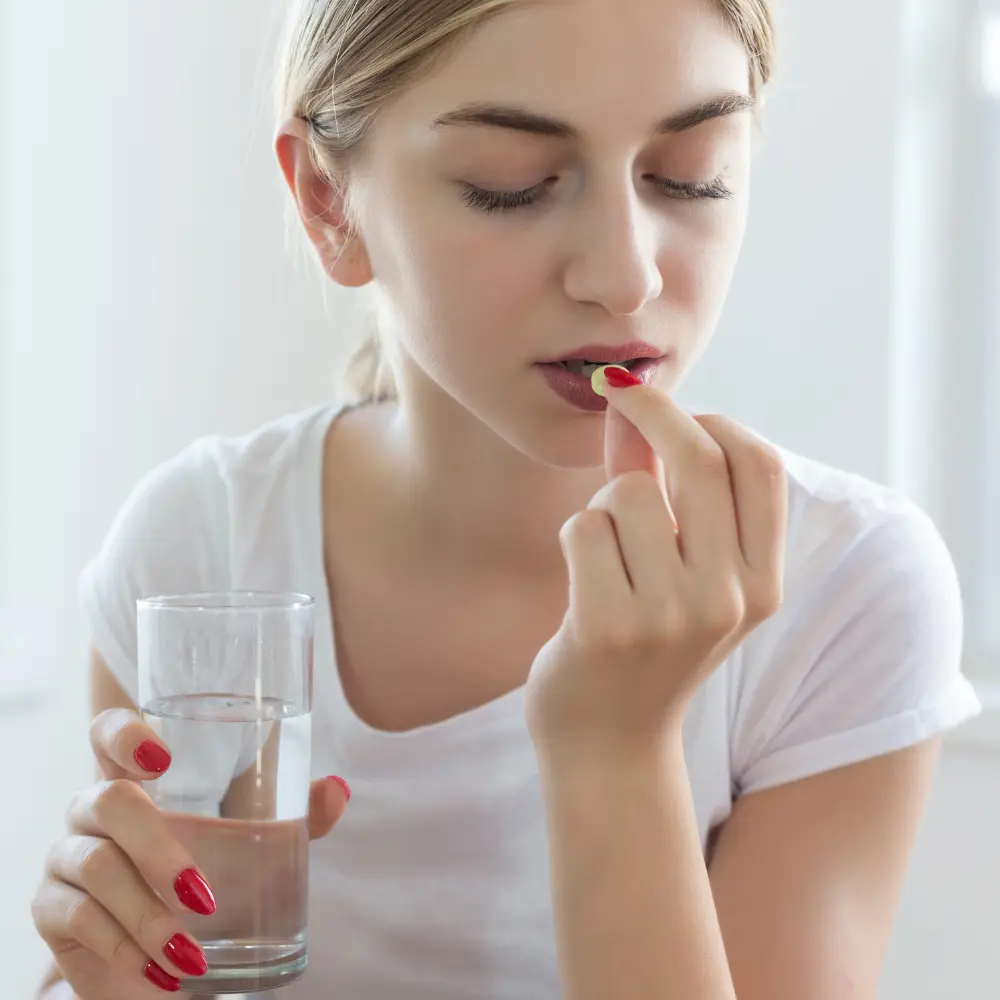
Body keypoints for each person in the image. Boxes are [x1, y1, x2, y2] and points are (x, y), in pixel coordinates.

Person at [31, 0, 982, 997]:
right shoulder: (204, 543)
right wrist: (102, 976)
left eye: (689, 174)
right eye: (511, 188)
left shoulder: (843, 587)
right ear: (326, 200)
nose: (623, 276)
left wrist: (615, 750)